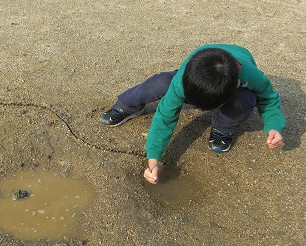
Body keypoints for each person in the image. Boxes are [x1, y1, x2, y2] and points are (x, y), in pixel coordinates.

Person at [99, 44, 286, 184]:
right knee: (159, 82)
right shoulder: (181, 82)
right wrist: (153, 159)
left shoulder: (252, 77)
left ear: (237, 85)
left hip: (234, 78)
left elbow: (269, 98)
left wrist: (274, 126)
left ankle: (223, 128)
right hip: (199, 71)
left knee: (244, 102)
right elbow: (165, 117)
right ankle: (126, 105)